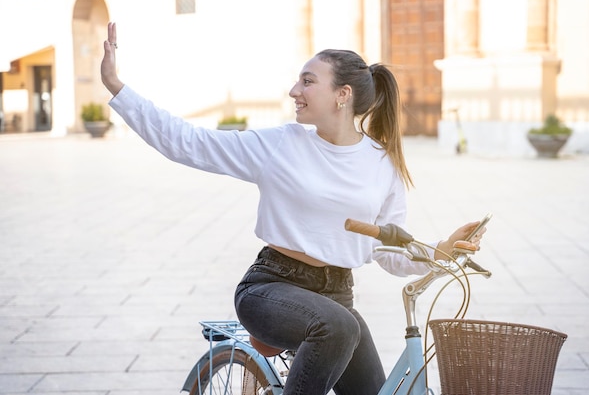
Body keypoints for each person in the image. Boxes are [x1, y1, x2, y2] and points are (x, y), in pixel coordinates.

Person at [101, 22, 485, 395]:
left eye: (307, 81)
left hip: (337, 297)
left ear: (342, 94)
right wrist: (117, 88)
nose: (293, 91)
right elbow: (188, 142)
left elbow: (389, 251)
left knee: (359, 359)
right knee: (339, 328)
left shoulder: (382, 163)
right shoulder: (281, 145)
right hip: (271, 287)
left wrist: (444, 249)